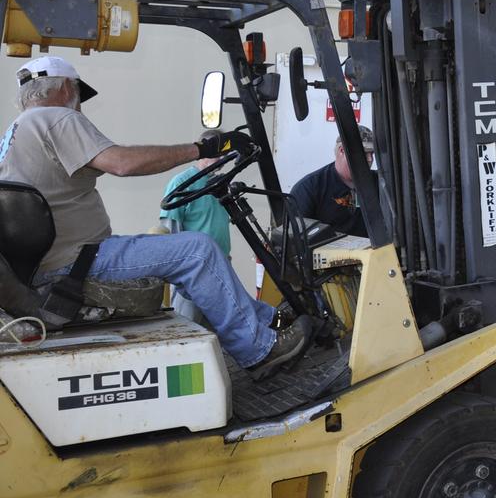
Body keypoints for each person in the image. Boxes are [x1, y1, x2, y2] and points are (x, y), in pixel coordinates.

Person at [0, 56, 312, 371]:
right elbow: (122, 163)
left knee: (186, 252)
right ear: (67, 87)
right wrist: (201, 149)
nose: (78, 104)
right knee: (197, 250)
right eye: (78, 94)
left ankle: (270, 321)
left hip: (56, 261)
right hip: (76, 261)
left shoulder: (15, 132)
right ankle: (259, 351)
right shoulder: (57, 118)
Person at [158, 129, 233, 322]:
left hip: (222, 265)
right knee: (188, 327)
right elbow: (169, 230)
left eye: (221, 154)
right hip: (194, 270)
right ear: (200, 151)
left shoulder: (220, 184)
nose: (218, 158)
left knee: (219, 329)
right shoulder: (182, 183)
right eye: (212, 153)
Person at [289, 125, 375, 237]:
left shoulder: (379, 184)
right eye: (364, 153)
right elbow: (295, 240)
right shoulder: (308, 189)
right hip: (327, 253)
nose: (370, 159)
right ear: (342, 151)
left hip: (371, 253)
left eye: (372, 153)